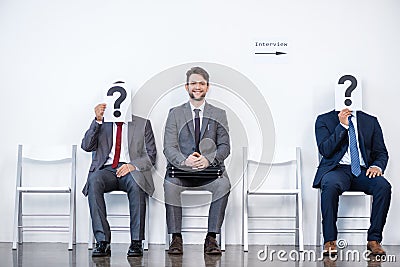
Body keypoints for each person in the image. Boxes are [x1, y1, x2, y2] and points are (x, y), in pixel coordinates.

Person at [163, 66, 231, 255]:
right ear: (187, 87)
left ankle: (211, 238)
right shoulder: (174, 113)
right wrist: (185, 161)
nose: (197, 87)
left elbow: (225, 146)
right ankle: (176, 238)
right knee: (170, 185)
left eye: (201, 83)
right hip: (181, 171)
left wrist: (209, 160)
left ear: (207, 87)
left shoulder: (219, 114)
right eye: (193, 83)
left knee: (224, 185)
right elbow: (168, 147)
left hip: (210, 172)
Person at [81, 102, 156, 257]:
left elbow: (151, 155)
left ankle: (136, 241)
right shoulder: (102, 123)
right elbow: (87, 146)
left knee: (137, 182)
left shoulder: (143, 123)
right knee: (94, 180)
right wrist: (97, 120)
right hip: (107, 169)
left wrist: (132, 166)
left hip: (130, 169)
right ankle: (102, 241)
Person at [314, 108, 391, 256]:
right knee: (329, 184)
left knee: (383, 186)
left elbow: (381, 152)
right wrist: (342, 126)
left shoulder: (370, 121)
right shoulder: (324, 119)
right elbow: (325, 150)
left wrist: (377, 166)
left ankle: (374, 240)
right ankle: (330, 240)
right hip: (337, 169)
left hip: (363, 170)